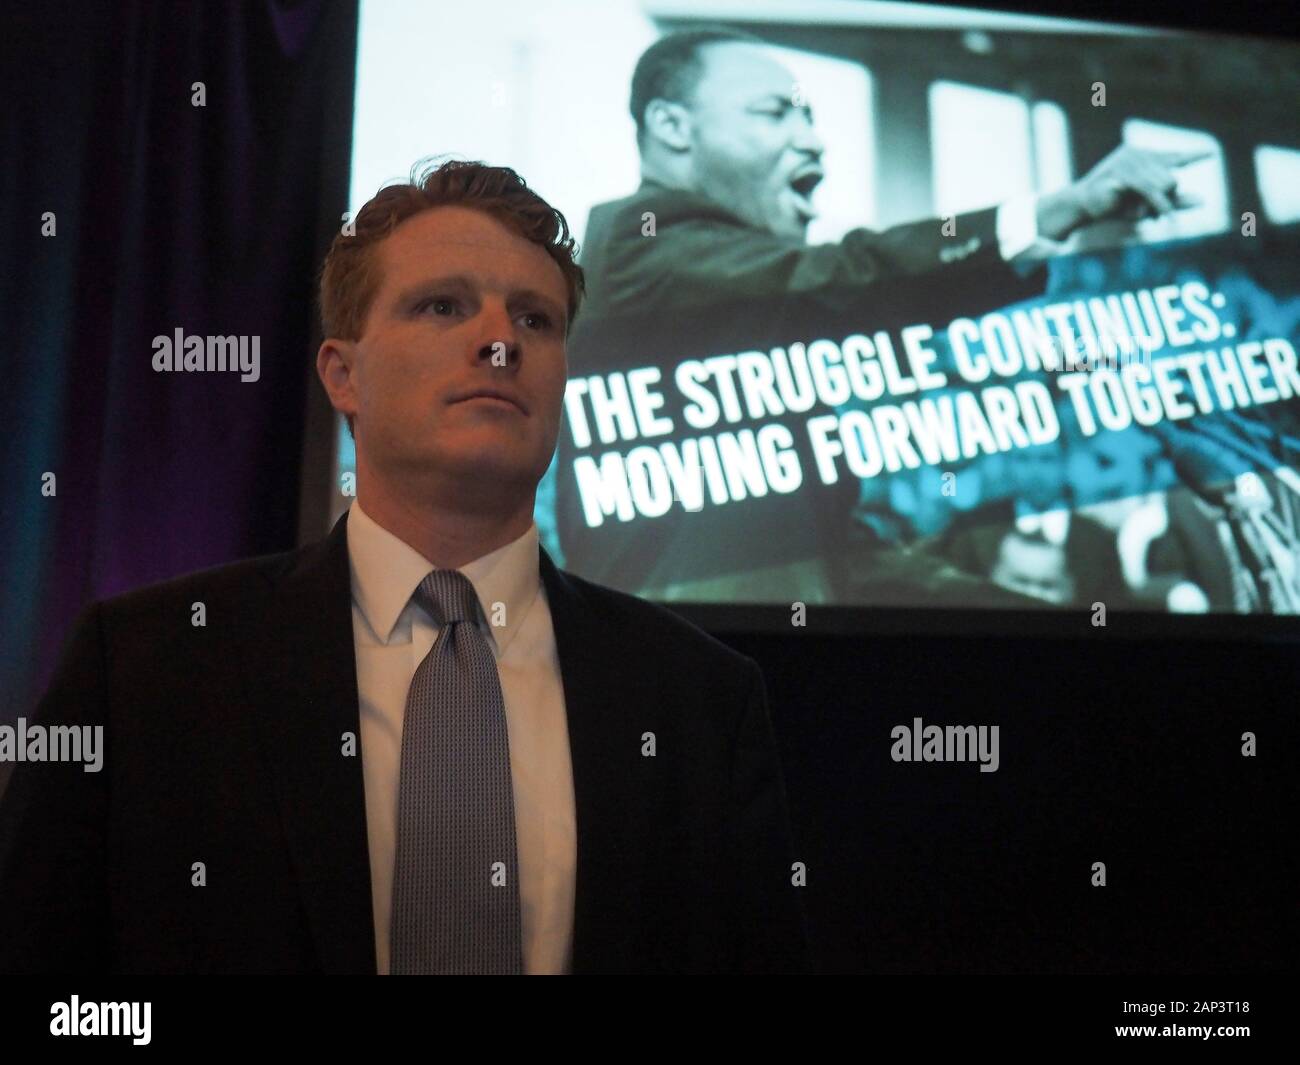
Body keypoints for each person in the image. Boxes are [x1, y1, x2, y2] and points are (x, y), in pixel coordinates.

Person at [0, 159, 811, 975]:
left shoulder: (701, 700)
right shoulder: (147, 664)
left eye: (535, 320)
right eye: (443, 306)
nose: (499, 342)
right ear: (342, 374)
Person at [554, 26, 1208, 603]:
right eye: (774, 113)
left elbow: (838, 557)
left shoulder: (746, 329)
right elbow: (848, 276)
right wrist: (1064, 208)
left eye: (808, 116)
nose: (812, 140)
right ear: (673, 127)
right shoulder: (644, 248)